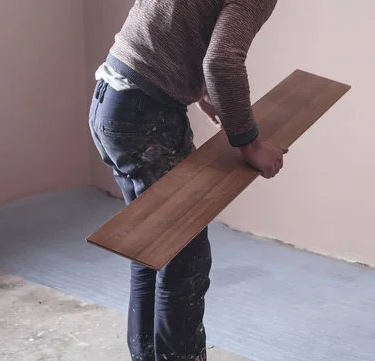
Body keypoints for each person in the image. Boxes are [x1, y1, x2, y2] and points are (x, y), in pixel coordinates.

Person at [88, 1, 285, 360]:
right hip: (143, 116)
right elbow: (222, 61)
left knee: (152, 249)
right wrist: (251, 143)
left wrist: (201, 93)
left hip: (114, 100)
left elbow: (170, 23)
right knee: (185, 261)